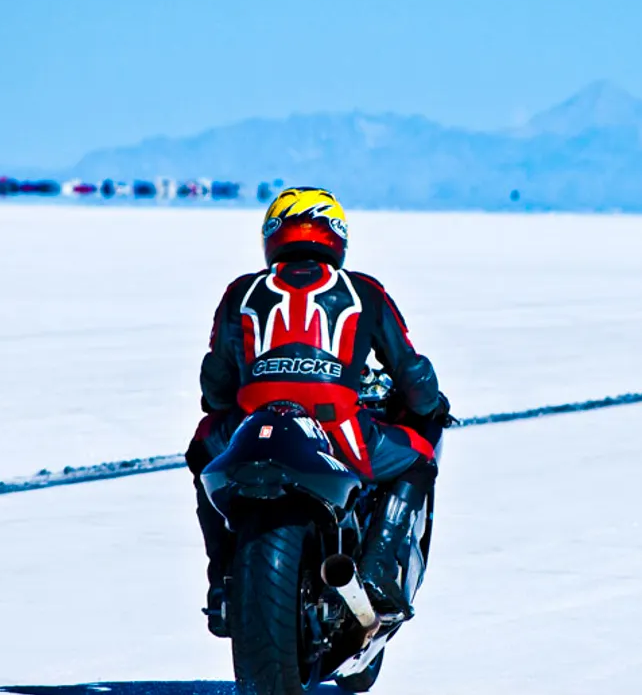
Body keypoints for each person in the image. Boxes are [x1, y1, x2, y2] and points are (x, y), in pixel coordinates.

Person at [186, 187, 451, 637]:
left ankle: (222, 576)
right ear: (339, 236)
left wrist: (231, 398)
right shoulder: (363, 290)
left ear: (270, 235)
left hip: (252, 425)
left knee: (202, 450)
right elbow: (410, 371)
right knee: (420, 455)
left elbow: (214, 383)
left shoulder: (241, 292)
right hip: (340, 427)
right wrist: (431, 405)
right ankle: (379, 568)